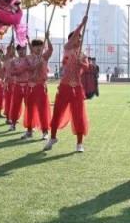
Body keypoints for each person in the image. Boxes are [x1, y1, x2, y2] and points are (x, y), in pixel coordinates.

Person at [44, 16, 90, 152]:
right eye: (77, 37)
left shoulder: (82, 54)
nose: (79, 39)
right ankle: (52, 137)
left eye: (80, 37)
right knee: (57, 112)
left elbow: (86, 67)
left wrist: (80, 63)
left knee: (79, 116)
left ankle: (79, 143)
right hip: (64, 86)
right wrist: (82, 23)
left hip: (76, 88)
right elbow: (75, 34)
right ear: (72, 39)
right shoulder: (67, 48)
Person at [24, 36, 53, 140]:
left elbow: (50, 49)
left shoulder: (44, 57)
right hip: (31, 86)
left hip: (41, 86)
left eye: (40, 46)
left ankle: (45, 131)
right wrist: (35, 66)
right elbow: (27, 69)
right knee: (30, 109)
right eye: (36, 47)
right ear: (32, 47)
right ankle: (29, 130)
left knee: (43, 109)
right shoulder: (28, 58)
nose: (38, 48)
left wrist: (48, 38)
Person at [5, 44, 30, 131]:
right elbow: (11, 72)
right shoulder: (14, 61)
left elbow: (32, 68)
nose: (21, 51)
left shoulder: (28, 59)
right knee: (15, 106)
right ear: (17, 51)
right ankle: (13, 124)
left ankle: (30, 126)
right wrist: (19, 71)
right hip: (17, 85)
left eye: (23, 49)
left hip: (27, 85)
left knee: (29, 106)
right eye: (19, 49)